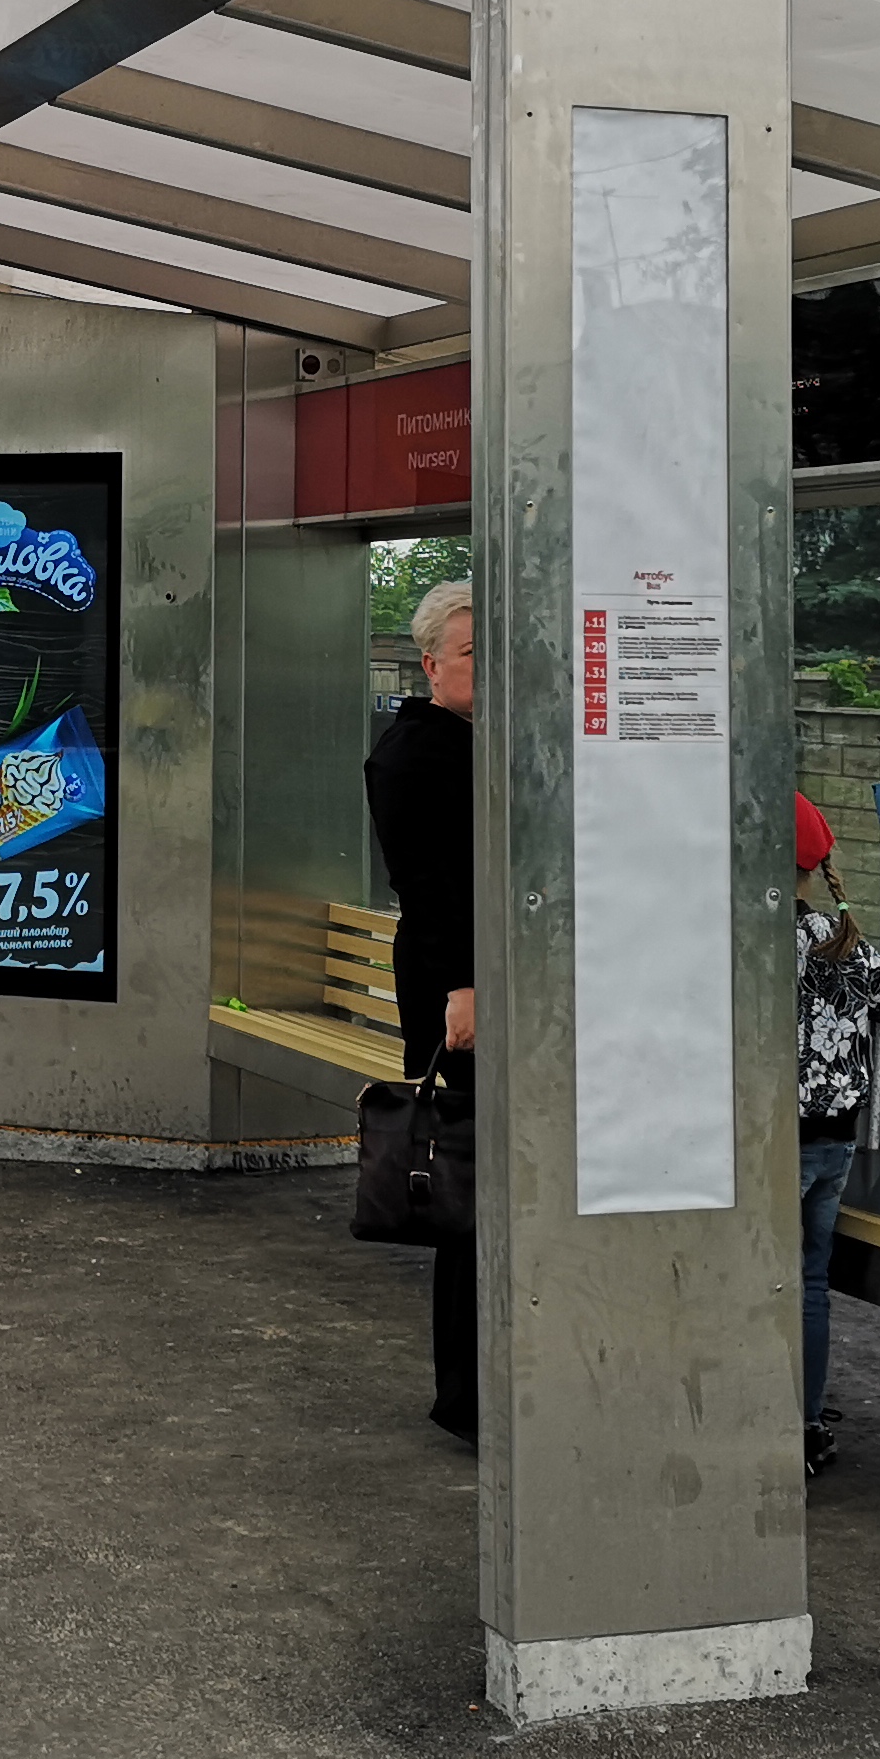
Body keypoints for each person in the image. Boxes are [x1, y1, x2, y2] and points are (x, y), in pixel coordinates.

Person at [793, 792, 880, 1477]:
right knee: (807, 1282)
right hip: (829, 1145)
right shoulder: (836, 940)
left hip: (762, 1142)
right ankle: (805, 1421)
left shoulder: (738, 936)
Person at [365, 578, 477, 1444]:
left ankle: (483, 1381)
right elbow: (433, 889)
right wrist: (461, 990)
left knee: (484, 1186)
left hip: (463, 982)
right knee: (468, 1187)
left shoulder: (471, 743)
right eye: (473, 654)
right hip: (454, 991)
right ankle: (466, 1394)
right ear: (431, 663)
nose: (487, 669)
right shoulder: (416, 752)